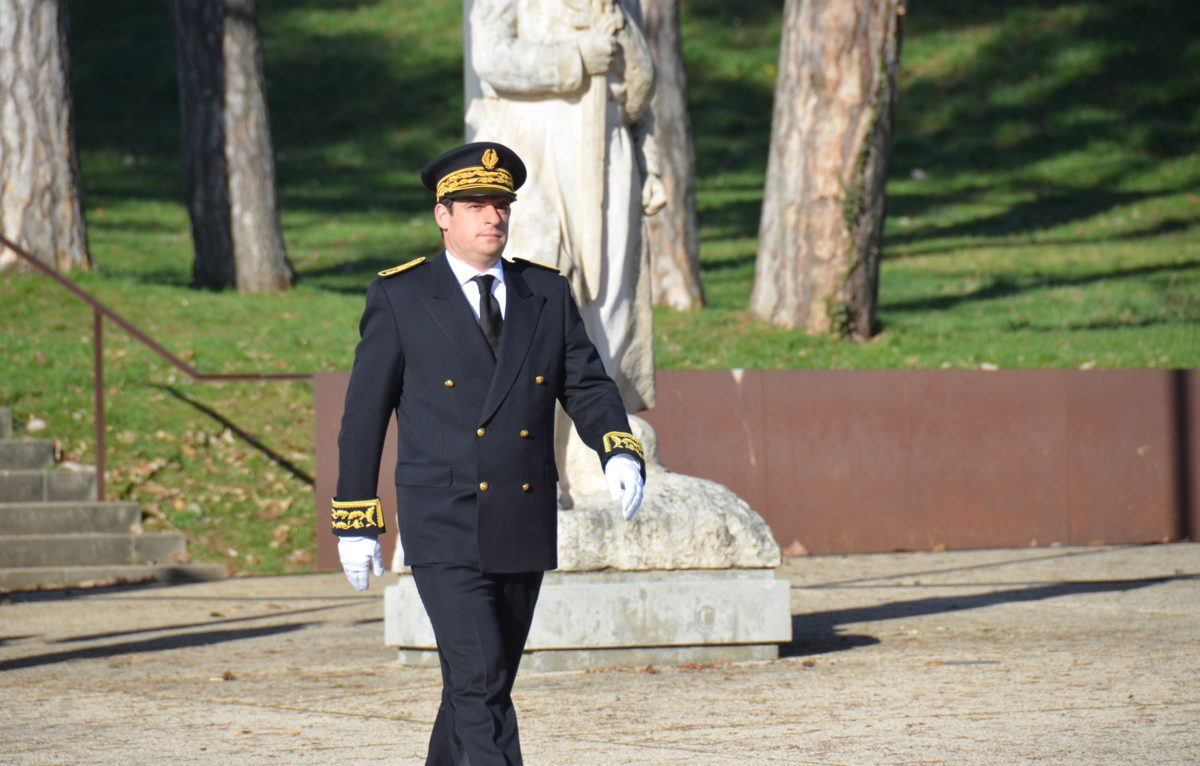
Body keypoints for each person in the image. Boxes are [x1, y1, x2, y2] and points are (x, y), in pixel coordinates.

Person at [331, 141, 646, 766]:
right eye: (476, 205)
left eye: (501, 204)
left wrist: (617, 448)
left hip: (521, 519)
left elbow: (584, 382)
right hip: (445, 520)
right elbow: (364, 415)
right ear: (443, 216)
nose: (493, 217)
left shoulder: (544, 293)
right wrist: (356, 517)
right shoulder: (402, 296)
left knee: (482, 684)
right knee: (480, 685)